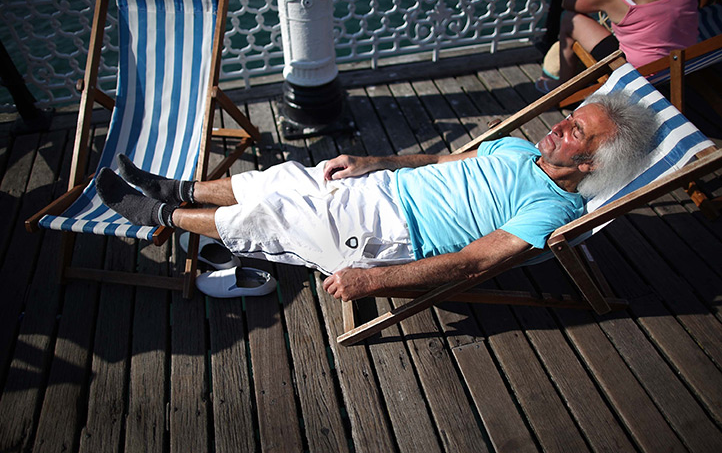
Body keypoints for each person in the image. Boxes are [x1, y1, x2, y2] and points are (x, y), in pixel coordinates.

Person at [96, 91, 655, 301]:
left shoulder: (554, 209)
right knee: (285, 176)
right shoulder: (513, 148)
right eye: (569, 118)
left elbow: (470, 262)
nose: (559, 127)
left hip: (392, 236)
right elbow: (440, 159)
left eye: (576, 132)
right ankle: (178, 188)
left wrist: (374, 279)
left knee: (273, 215)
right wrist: (376, 160)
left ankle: (161, 214)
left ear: (588, 164)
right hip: (383, 186)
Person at [537, 0, 701, 92]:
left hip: (641, 75)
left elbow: (568, 2)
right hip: (684, 64)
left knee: (570, 19)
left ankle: (565, 87)